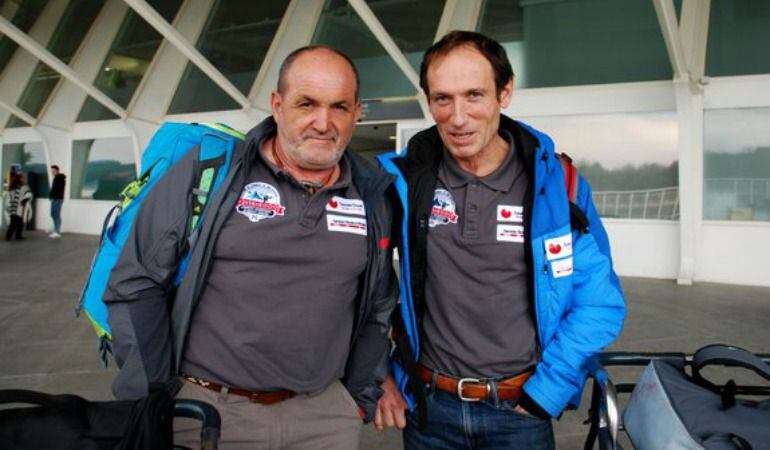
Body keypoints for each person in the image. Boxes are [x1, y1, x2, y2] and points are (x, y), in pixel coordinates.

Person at [105, 45, 398, 449]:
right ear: (277, 105)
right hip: (210, 414)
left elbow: (378, 306)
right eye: (306, 103)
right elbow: (135, 283)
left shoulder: (373, 195)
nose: (323, 122)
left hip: (325, 419)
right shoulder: (210, 173)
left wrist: (357, 400)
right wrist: (155, 398)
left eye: (339, 107)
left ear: (356, 112)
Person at [375, 31, 626, 449]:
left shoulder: (556, 186)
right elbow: (354, 283)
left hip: (519, 415)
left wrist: (548, 390)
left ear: (504, 93)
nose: (457, 117)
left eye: (474, 95)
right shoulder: (400, 182)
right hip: (428, 411)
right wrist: (378, 374)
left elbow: (599, 302)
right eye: (442, 99)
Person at [4, 173, 32, 241]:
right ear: (20, 178)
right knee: (18, 222)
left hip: (13, 207)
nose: (24, 179)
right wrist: (24, 201)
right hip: (19, 207)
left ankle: (13, 236)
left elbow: (8, 197)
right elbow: (28, 194)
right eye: (22, 178)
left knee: (15, 222)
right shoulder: (24, 186)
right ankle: (14, 236)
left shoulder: (12, 187)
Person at [49, 165, 66, 238]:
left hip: (57, 199)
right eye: (52, 171)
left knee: (56, 214)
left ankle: (57, 231)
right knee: (53, 214)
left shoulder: (59, 178)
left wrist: (54, 197)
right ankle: (55, 229)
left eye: (53, 170)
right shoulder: (56, 178)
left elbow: (58, 189)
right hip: (55, 199)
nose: (52, 172)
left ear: (57, 170)